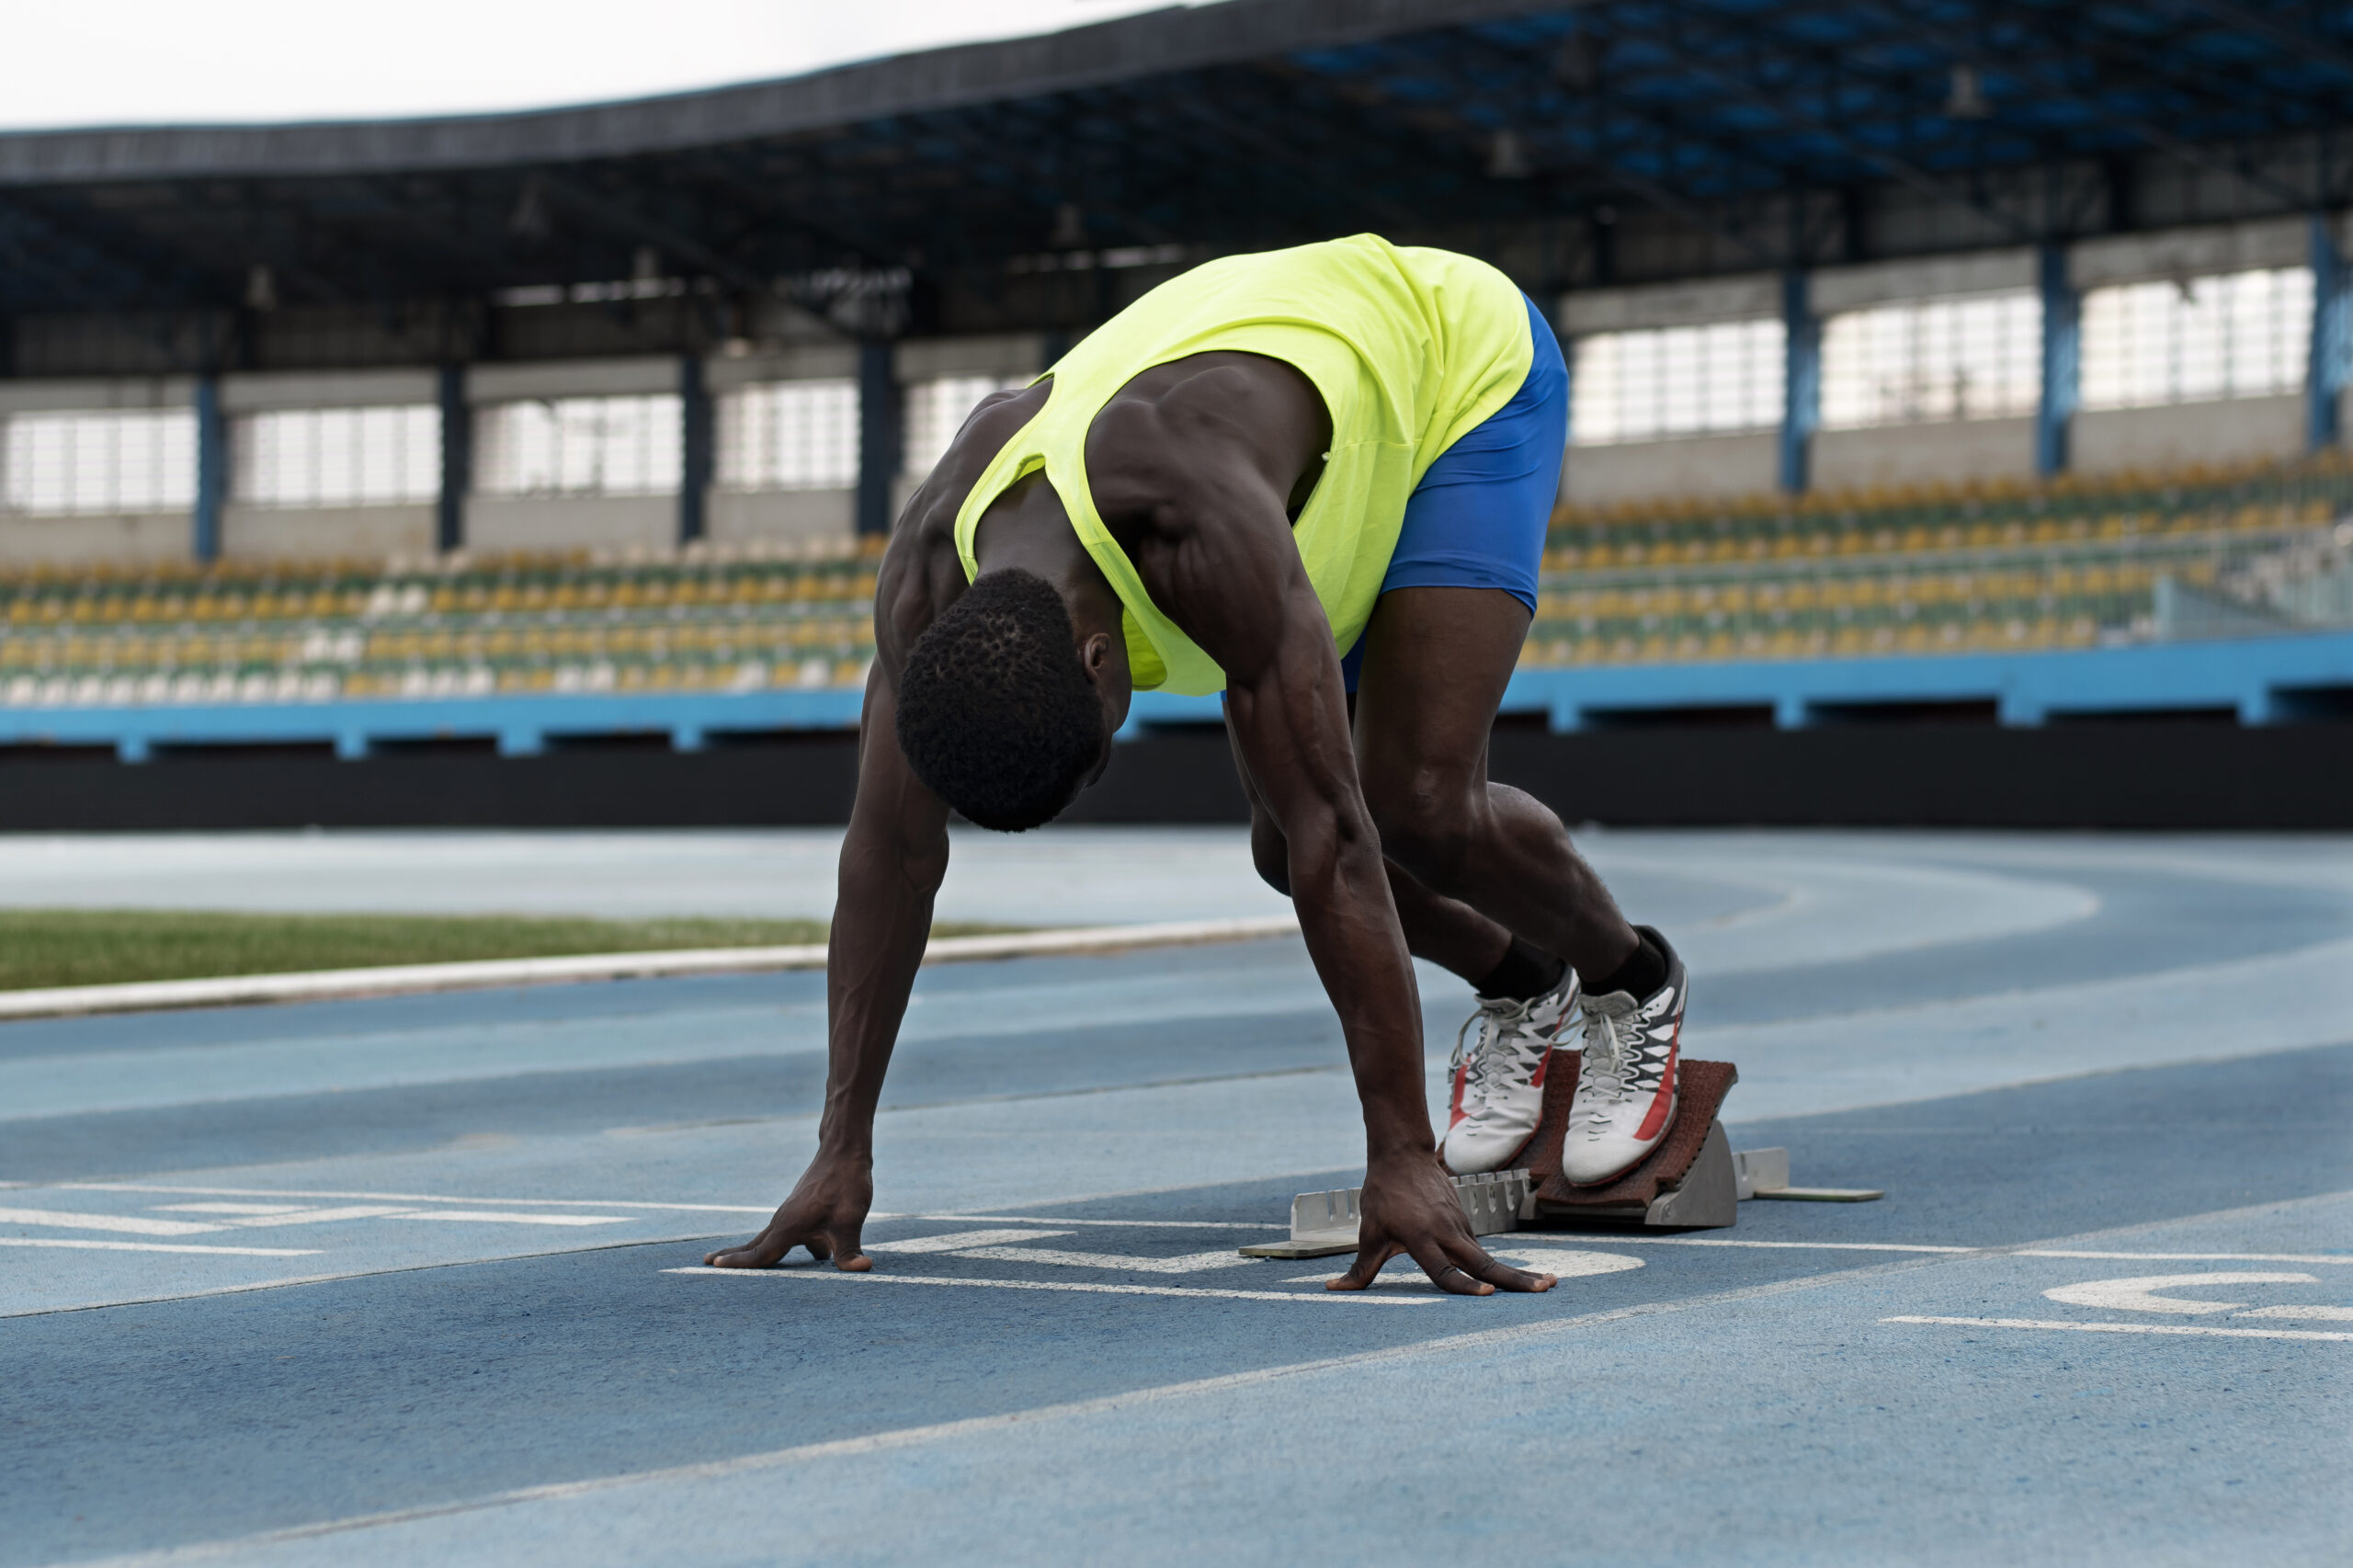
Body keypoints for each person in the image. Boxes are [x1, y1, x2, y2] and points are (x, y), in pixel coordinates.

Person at [705, 234, 1687, 1296]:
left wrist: (1398, 1155)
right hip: (1275, 393)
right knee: (1274, 849)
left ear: (1095, 656)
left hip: (1451, 368)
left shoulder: (1193, 527)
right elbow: (888, 852)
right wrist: (839, 1143)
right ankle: (1520, 986)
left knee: (1411, 802)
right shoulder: (927, 584)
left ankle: (1633, 983)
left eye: (1095, 760)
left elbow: (1338, 835)